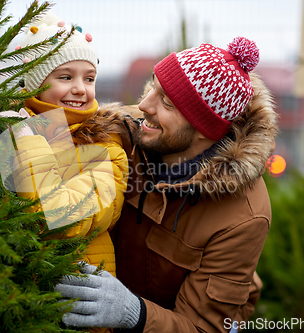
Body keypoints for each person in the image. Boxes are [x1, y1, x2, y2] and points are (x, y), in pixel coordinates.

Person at [55, 37, 279, 332]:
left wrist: (133, 313)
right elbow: (57, 128)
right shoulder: (132, 131)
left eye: (167, 103)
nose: (144, 105)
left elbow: (203, 327)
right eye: (154, 88)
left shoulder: (243, 216)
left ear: (204, 130)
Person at [0, 12, 131, 279]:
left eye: (89, 78)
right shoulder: (5, 131)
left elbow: (61, 218)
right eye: (66, 77)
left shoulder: (107, 148)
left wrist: (29, 141)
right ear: (36, 82)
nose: (81, 88)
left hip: (76, 301)